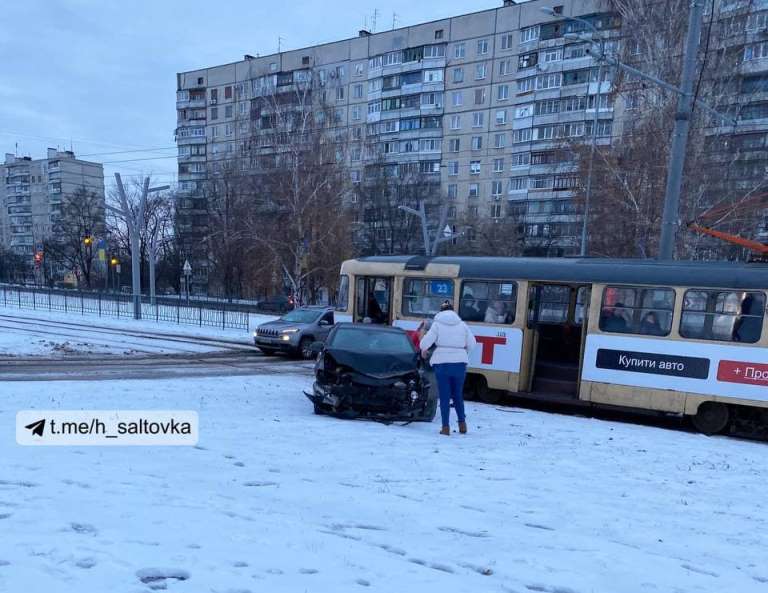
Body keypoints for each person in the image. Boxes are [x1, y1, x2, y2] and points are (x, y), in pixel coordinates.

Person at [420, 300, 477, 436]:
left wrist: (424, 348)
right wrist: (462, 351)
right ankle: (462, 425)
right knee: (457, 395)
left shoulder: (437, 325)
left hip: (442, 363)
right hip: (460, 364)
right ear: (453, 311)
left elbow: (424, 343)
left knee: (445, 396)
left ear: (441, 311)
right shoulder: (462, 325)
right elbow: (473, 344)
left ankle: (445, 428)